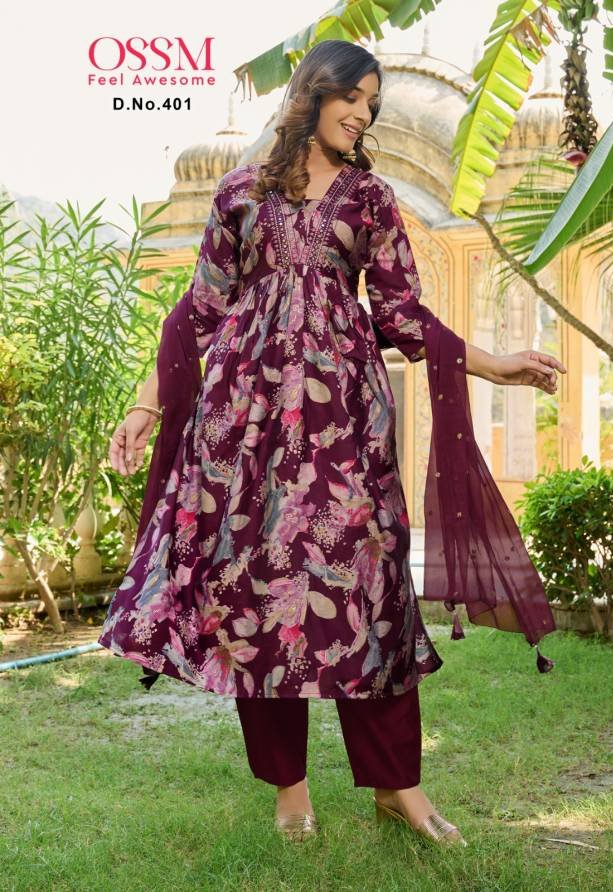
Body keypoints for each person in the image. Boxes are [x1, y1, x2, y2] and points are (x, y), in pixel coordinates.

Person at [99, 39, 565, 846]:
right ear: (314, 93)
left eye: (372, 104)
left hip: (343, 422)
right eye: (353, 97)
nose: (363, 114)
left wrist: (495, 366)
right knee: (254, 595)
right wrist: (145, 406)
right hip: (242, 428)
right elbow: (199, 309)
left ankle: (397, 787)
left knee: (371, 589)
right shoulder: (240, 193)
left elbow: (401, 314)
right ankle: (289, 790)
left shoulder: (372, 198)